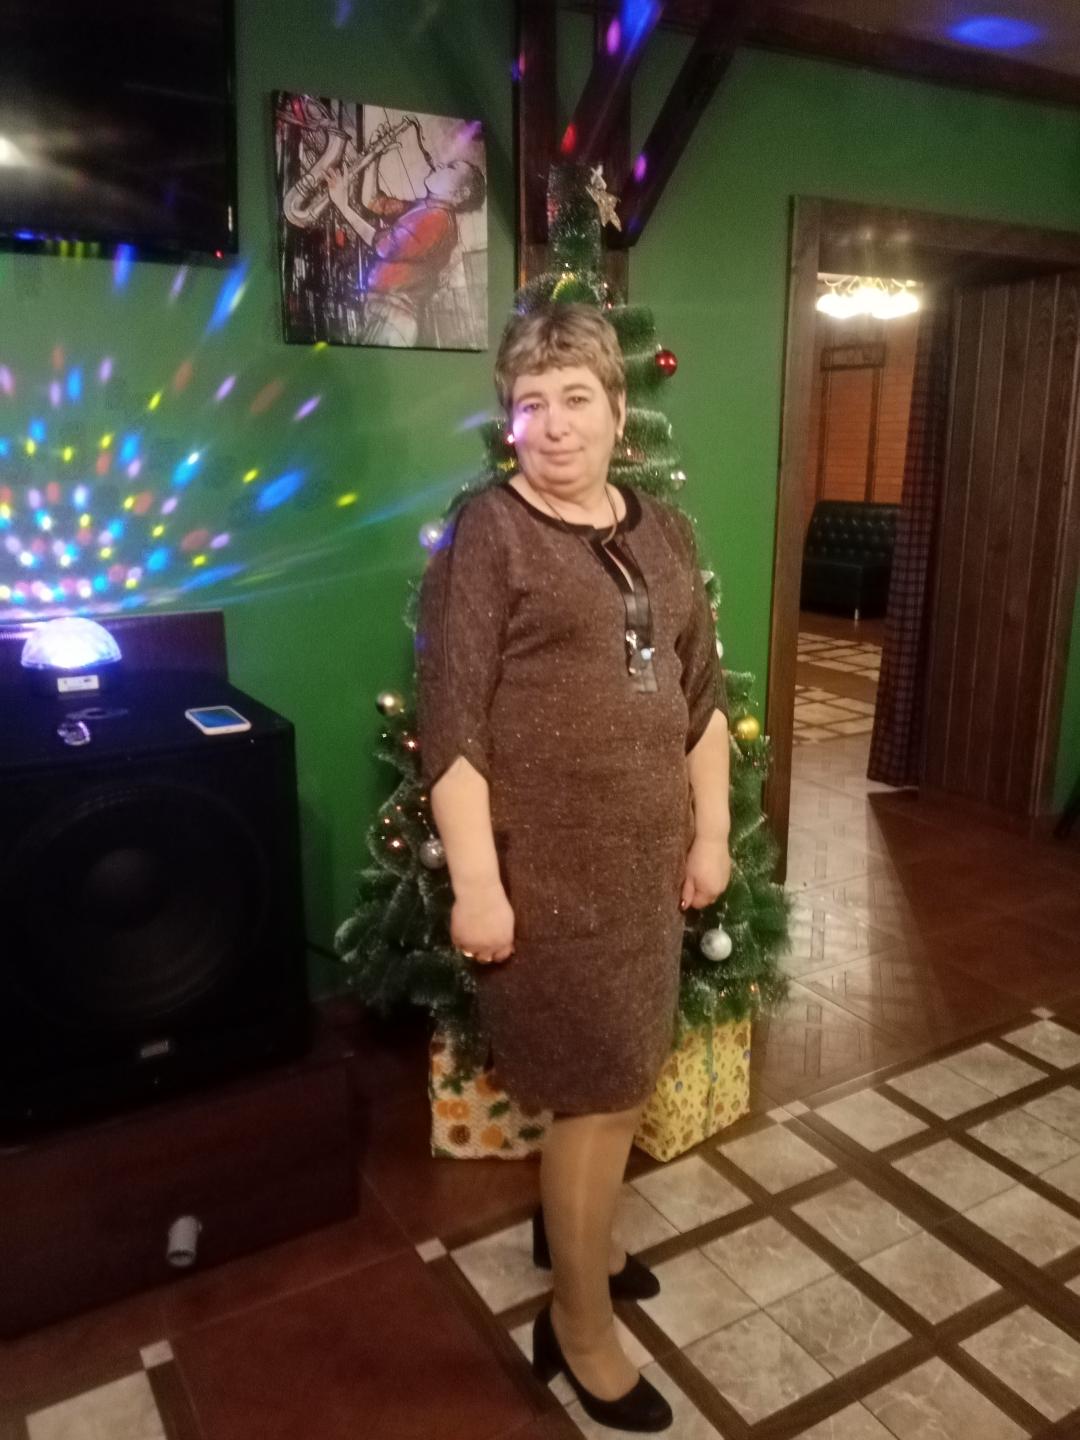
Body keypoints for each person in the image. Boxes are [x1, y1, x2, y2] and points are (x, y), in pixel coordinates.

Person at [416, 304, 730, 1433]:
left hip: (647, 872)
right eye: (530, 403)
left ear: (616, 410)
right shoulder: (489, 534)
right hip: (547, 878)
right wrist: (477, 885)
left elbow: (701, 701)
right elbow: (453, 728)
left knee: (626, 1074)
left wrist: (709, 834)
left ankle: (582, 1242)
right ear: (510, 420)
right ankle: (577, 1323)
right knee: (598, 1096)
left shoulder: (665, 530)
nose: (553, 426)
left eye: (576, 399)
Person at [324, 118, 486, 347]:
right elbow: (373, 202)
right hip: (385, 312)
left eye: (451, 168)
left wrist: (342, 205)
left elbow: (382, 246)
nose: (440, 165)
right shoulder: (425, 208)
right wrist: (376, 154)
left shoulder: (437, 220)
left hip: (394, 319)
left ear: (460, 194)